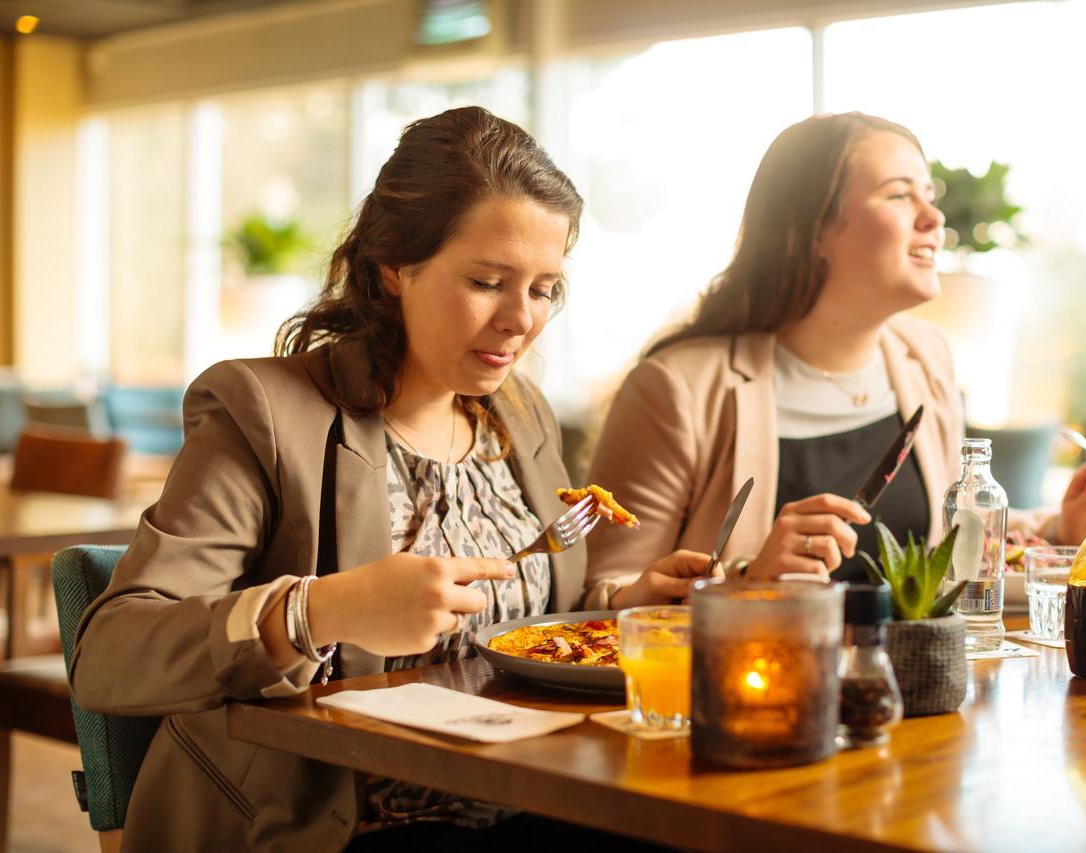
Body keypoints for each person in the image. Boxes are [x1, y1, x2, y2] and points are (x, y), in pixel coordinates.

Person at [68, 107, 705, 851]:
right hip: (337, 823)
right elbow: (111, 655)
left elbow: (522, 615)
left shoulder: (519, 412)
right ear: (392, 267)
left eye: (543, 289)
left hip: (528, 795)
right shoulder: (265, 413)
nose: (520, 321)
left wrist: (628, 607)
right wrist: (324, 608)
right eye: (488, 280)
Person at [582, 111, 1086, 603]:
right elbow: (601, 598)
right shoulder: (675, 389)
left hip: (909, 685)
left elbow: (945, 548)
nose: (934, 218)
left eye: (929, 196)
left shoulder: (926, 357)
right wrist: (747, 583)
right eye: (898, 194)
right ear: (814, 230)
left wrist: (1060, 531)